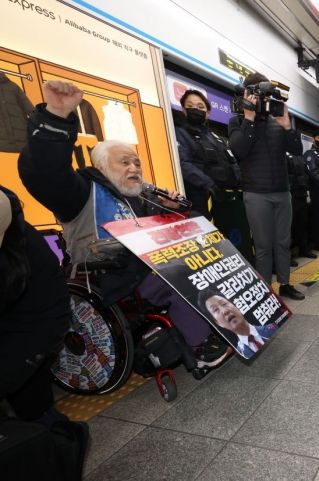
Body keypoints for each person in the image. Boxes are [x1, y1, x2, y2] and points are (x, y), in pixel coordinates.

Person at [18, 80, 229, 368]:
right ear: (102, 167)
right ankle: (201, 348)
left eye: (137, 163)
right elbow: (45, 172)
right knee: (183, 275)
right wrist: (55, 117)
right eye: (124, 163)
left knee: (210, 259)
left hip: (145, 267)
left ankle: (222, 324)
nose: (134, 168)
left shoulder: (141, 195)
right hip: (108, 275)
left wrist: (173, 211)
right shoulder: (81, 193)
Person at [228, 72, 305, 301]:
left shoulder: (277, 118)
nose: (259, 97)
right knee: (262, 245)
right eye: (253, 92)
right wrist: (249, 118)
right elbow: (239, 151)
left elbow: (297, 151)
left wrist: (287, 127)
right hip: (256, 193)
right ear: (246, 93)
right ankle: (265, 290)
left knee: (283, 242)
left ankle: (284, 284)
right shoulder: (237, 121)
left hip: (282, 191)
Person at [0, 186, 71, 426]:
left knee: (35, 409)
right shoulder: (11, 214)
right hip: (33, 319)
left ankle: (58, 443)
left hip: (32, 325)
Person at [175, 89, 241, 218]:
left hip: (228, 198)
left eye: (200, 106)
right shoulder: (180, 134)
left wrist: (240, 182)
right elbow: (183, 164)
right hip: (201, 198)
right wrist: (209, 185)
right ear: (183, 110)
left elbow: (232, 161)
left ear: (208, 113)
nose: (195, 109)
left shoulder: (216, 137)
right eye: (190, 106)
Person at [198, 291, 276, 358]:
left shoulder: (273, 328)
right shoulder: (241, 353)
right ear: (218, 323)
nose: (225, 311)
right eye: (215, 310)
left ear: (236, 306)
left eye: (224, 304)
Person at [286, 152, 315, 261]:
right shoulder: (284, 154)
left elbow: (307, 174)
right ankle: (288, 255)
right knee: (290, 226)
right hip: (291, 194)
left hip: (302, 193)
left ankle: (304, 249)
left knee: (303, 224)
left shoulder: (300, 156)